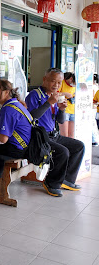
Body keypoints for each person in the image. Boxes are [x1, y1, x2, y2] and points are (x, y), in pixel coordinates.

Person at [26, 68, 85, 197]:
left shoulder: (55, 96)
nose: (56, 85)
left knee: (79, 146)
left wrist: (62, 109)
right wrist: (48, 103)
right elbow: (32, 117)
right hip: (39, 137)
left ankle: (67, 180)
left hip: (53, 134)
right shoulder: (35, 95)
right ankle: (51, 183)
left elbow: (61, 120)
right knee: (63, 152)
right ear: (44, 79)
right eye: (53, 81)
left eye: (59, 83)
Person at [0, 80, 32, 194]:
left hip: (16, 149)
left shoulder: (8, 109)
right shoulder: (16, 104)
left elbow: (3, 139)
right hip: (24, 146)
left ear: (5, 92)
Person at [59, 72, 76, 138]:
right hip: (64, 110)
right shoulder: (62, 83)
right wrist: (64, 94)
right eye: (74, 83)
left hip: (73, 110)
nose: (74, 85)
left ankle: (71, 148)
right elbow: (55, 94)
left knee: (72, 135)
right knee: (64, 135)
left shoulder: (76, 87)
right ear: (71, 79)